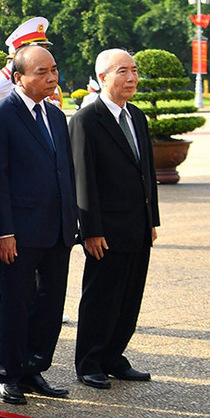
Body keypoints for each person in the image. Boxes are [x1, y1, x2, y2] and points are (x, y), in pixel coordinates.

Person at [0, 44, 77, 405]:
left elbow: (64, 171)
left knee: (49, 305)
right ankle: (6, 373)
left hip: (57, 230)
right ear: (18, 78)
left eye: (53, 70)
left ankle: (33, 367)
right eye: (41, 72)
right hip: (19, 233)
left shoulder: (55, 115)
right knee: (16, 304)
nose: (51, 77)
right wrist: (3, 232)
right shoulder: (1, 115)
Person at [69, 49, 159, 389]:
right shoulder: (86, 120)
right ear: (103, 77)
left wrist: (152, 219)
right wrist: (90, 230)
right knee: (101, 297)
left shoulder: (136, 116)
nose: (132, 78)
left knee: (129, 297)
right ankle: (89, 361)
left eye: (134, 70)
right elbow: (83, 179)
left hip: (137, 224)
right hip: (105, 230)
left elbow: (147, 172)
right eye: (123, 71)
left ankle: (113, 356)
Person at [0, 17, 52, 103]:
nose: (43, 53)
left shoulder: (48, 78)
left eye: (45, 48)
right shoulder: (12, 82)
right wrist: (21, 59)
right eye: (39, 48)